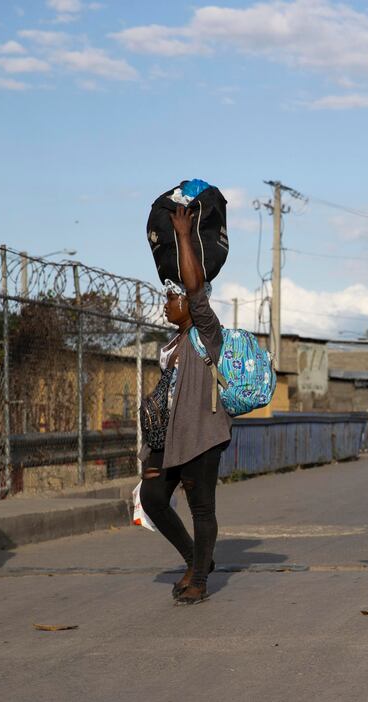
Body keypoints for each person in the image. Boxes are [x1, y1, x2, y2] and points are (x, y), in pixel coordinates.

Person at [138, 205, 232, 605]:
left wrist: (181, 235)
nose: (165, 304)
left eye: (170, 298)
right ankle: (197, 560)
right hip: (169, 436)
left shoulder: (207, 331)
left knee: (201, 507)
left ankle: (199, 579)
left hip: (201, 434)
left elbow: (195, 290)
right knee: (153, 498)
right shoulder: (173, 345)